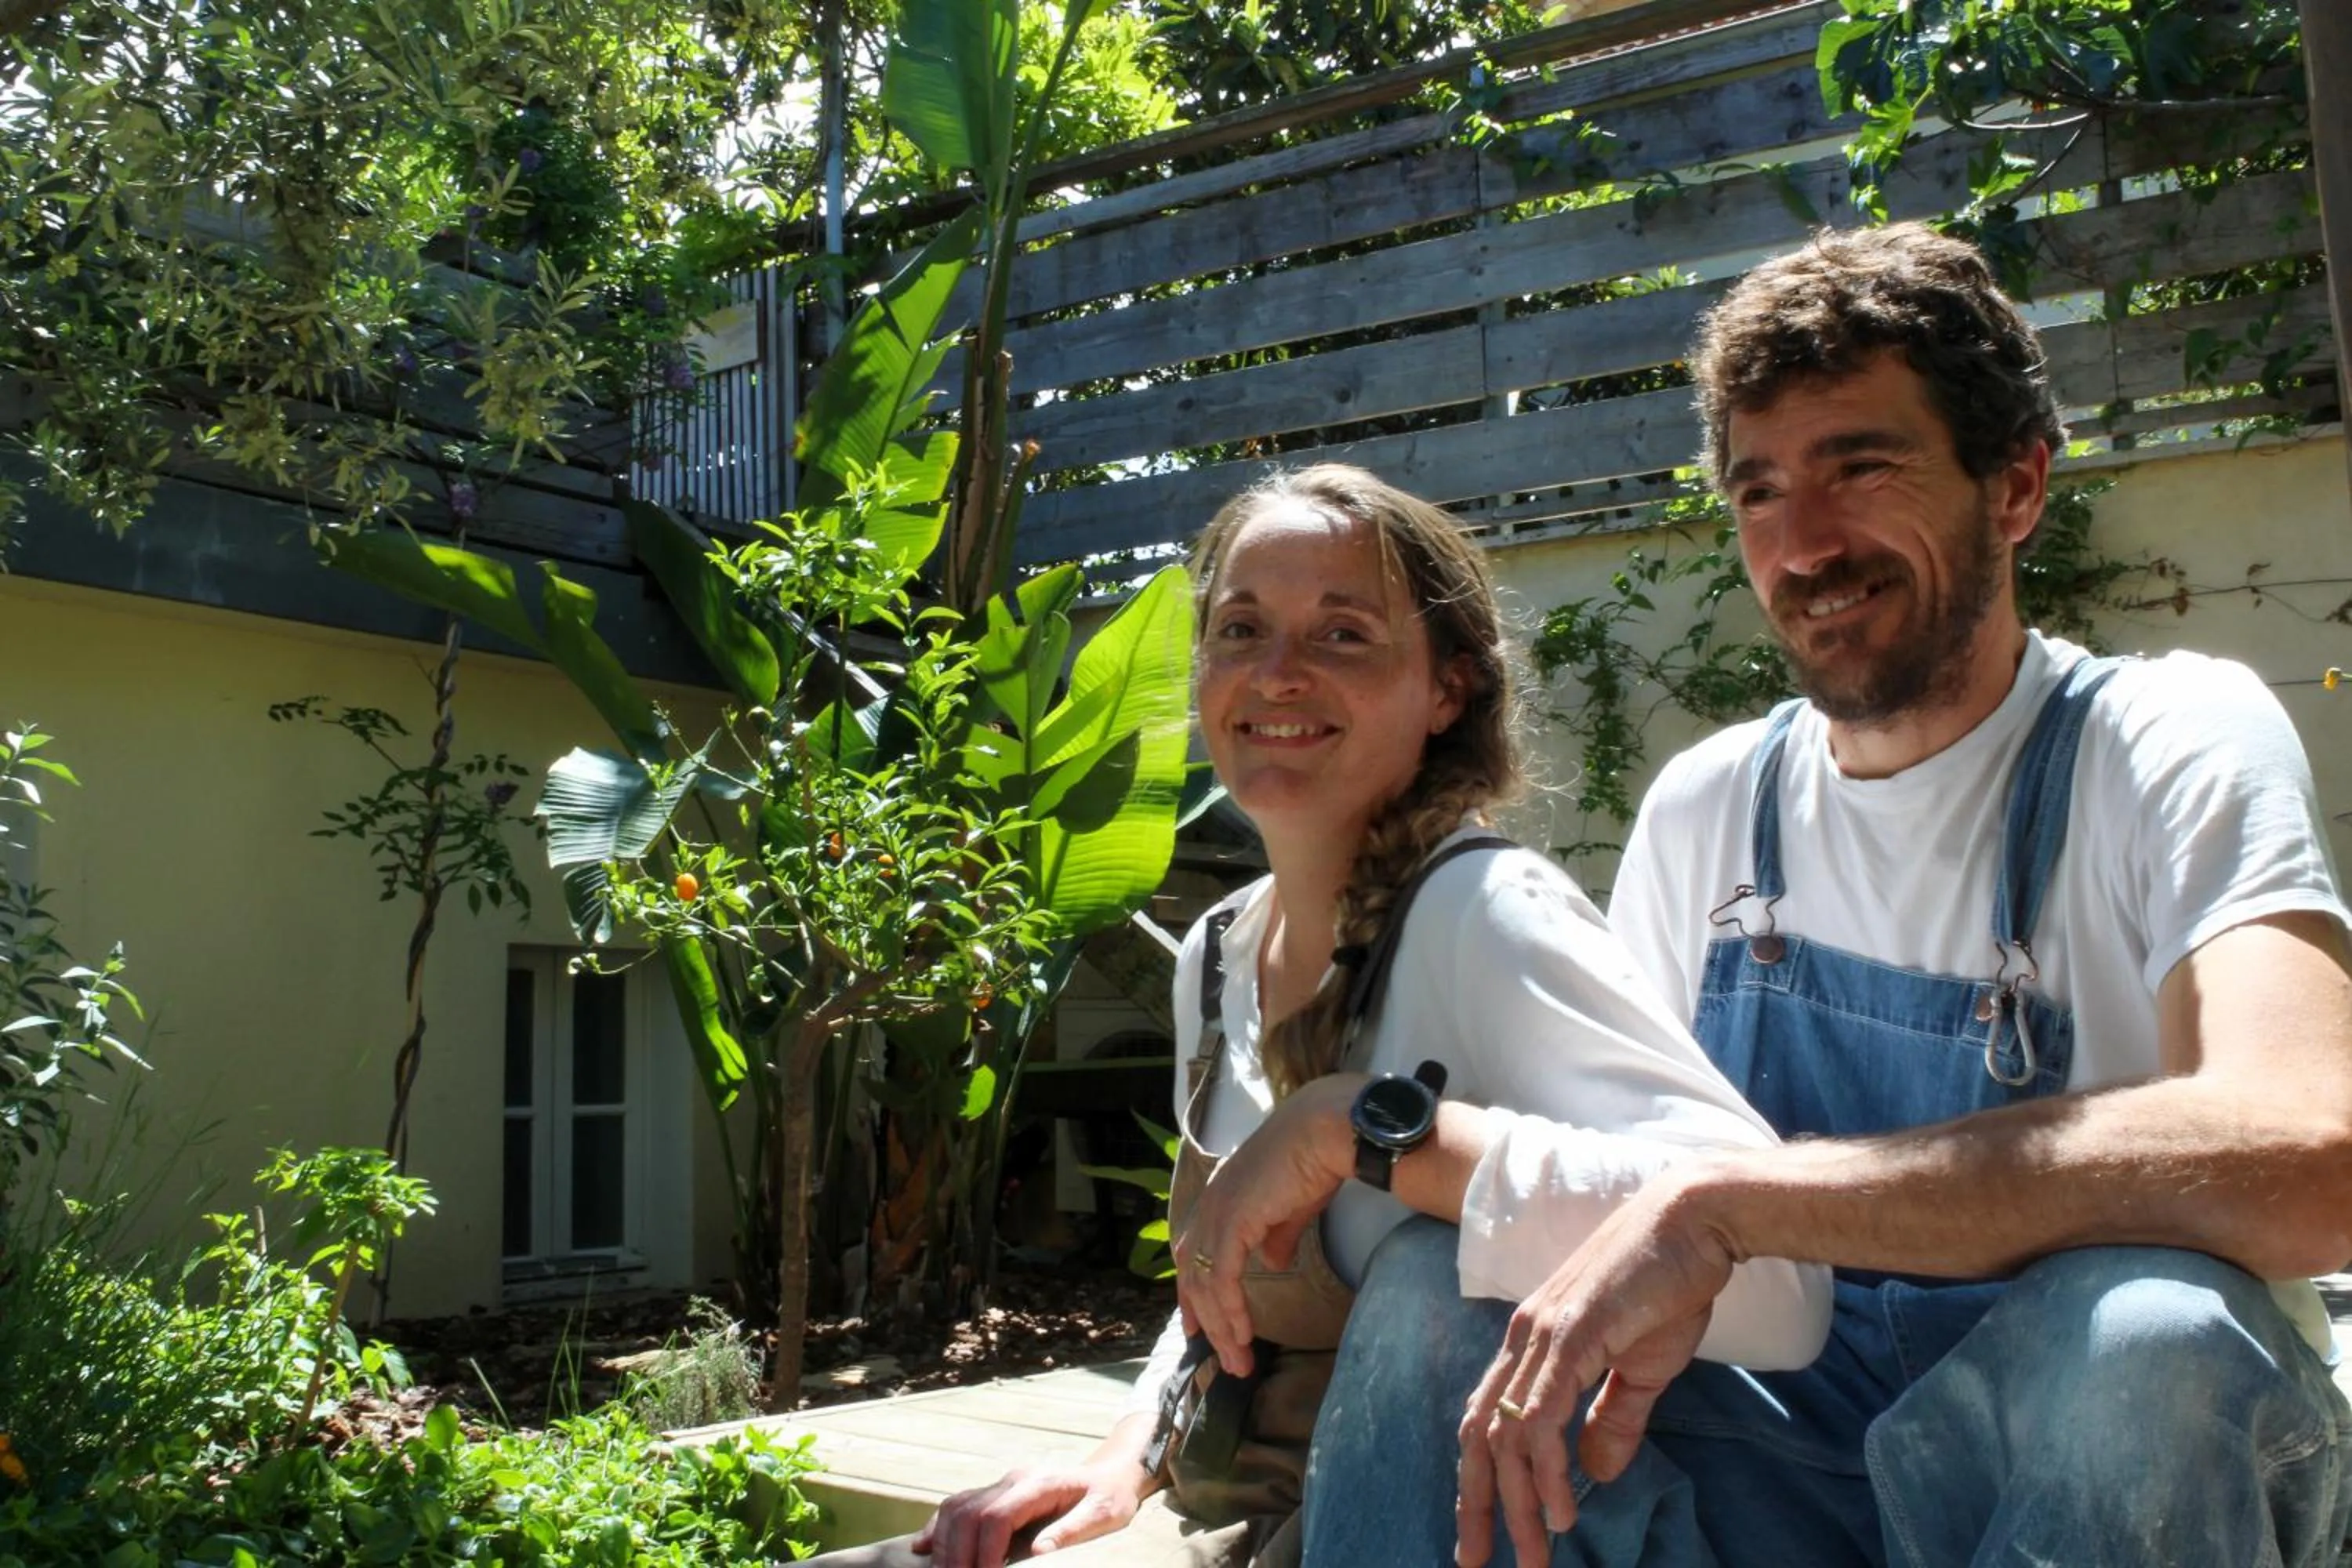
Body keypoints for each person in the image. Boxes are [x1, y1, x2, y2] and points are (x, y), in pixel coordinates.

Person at [1302, 223, 2352, 1568]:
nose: (1802, 548)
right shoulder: (1709, 807)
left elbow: (2314, 1157)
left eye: (1861, 469)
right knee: (1437, 1285)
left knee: (2149, 1338)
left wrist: (1736, 1200)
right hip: (1774, 1460)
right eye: (1759, 493)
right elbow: (1591, 1195)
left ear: (2017, 486)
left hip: (2082, 1464)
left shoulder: (2165, 740)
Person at [815, 465, 1829, 1568]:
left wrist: (1373, 1135)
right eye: (1241, 629)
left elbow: (1781, 1282)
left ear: (1447, 690)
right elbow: (1221, 1285)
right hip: (1224, 1514)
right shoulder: (1217, 951)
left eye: (1343, 635)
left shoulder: (1484, 914)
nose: (1277, 673)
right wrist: (1128, 1450)